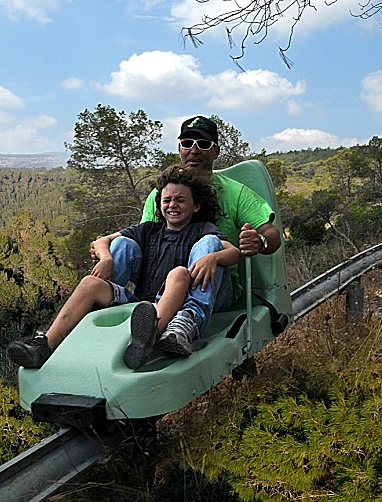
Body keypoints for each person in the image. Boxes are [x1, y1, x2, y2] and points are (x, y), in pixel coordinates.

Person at [7, 165, 240, 370]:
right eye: (167, 200)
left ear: (196, 205)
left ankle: (154, 336)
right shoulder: (149, 229)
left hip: (177, 303)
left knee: (180, 271)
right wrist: (106, 259)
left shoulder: (202, 230)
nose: (172, 205)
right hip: (142, 306)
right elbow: (101, 241)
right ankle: (46, 345)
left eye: (181, 200)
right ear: (159, 204)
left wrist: (214, 258)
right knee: (98, 272)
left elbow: (234, 253)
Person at [94, 115, 281, 344]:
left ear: (216, 152)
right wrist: (107, 254)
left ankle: (187, 321)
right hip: (159, 287)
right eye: (187, 143)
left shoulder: (236, 193)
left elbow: (272, 235)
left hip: (212, 288)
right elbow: (143, 237)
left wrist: (259, 241)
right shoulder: (161, 195)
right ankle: (100, 317)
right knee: (123, 245)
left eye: (203, 144)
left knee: (208, 243)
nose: (194, 150)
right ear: (179, 148)